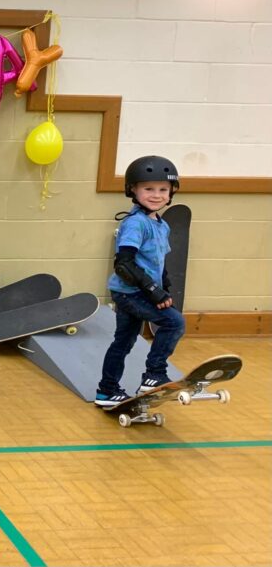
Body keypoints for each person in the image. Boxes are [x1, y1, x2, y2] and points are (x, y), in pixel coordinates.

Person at [95, 156, 186, 407]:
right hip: (130, 293)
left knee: (123, 342)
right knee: (174, 323)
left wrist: (164, 288)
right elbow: (124, 264)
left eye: (163, 189)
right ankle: (154, 374)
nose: (156, 195)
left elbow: (159, 262)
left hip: (138, 292)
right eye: (148, 188)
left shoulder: (161, 224)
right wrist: (154, 292)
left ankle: (106, 391)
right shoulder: (136, 223)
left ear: (171, 193)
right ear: (132, 189)